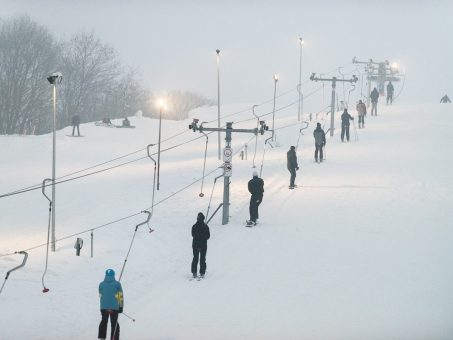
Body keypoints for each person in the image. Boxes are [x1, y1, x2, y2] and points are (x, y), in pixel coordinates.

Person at [98, 269, 123, 340]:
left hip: (104, 308)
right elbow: (120, 296)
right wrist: (120, 307)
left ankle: (102, 337)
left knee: (104, 321)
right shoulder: (117, 284)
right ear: (113, 275)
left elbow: (100, 295)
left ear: (105, 275)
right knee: (114, 323)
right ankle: (114, 338)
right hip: (114, 307)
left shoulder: (101, 284)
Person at [191, 212, 210, 278]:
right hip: (203, 245)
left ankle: (194, 272)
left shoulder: (194, 226)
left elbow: (192, 235)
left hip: (195, 245)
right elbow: (208, 236)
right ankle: (202, 273)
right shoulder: (206, 227)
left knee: (195, 258)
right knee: (202, 259)